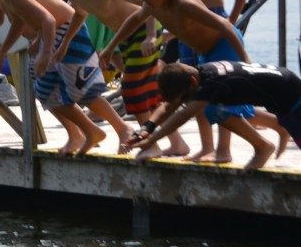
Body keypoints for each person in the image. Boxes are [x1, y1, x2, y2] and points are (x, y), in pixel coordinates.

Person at [0, 0, 132, 155]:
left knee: (82, 89)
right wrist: (2, 53)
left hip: (68, 30)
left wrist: (45, 52)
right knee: (46, 92)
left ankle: (123, 129)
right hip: (47, 36)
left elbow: (48, 20)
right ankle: (84, 133)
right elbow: (17, 22)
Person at [101, 0, 263, 163]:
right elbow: (134, 20)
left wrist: (245, 60)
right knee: (199, 98)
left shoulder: (183, 4)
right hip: (205, 50)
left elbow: (224, 26)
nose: (144, 0)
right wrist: (109, 48)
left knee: (222, 102)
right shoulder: (153, 4)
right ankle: (209, 147)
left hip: (225, 45)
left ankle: (225, 150)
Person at [45, 0, 180, 154]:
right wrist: (64, 45)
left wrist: (152, 35)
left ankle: (150, 144)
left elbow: (146, 0)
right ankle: (177, 143)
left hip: (144, 30)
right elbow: (79, 15)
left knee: (133, 88)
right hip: (124, 37)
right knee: (148, 90)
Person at [128, 61, 301, 170]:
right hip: (284, 87)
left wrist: (151, 140)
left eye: (186, 98)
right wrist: (147, 128)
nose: (186, 102)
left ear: (193, 83)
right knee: (215, 110)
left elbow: (182, 115)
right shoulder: (202, 72)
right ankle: (266, 143)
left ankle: (263, 146)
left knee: (213, 110)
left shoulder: (211, 84)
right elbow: (168, 107)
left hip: (292, 100)